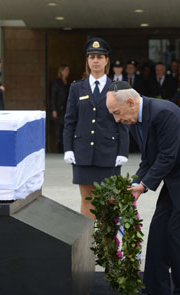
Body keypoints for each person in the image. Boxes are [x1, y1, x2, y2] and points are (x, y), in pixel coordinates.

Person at [106, 80, 180, 295]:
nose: (117, 119)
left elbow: (166, 157)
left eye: (117, 113)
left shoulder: (164, 113)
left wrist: (143, 186)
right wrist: (134, 184)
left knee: (178, 238)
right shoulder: (134, 122)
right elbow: (148, 159)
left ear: (131, 102)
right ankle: (154, 291)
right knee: (158, 237)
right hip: (174, 182)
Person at [63, 37, 129, 220]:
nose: (96, 60)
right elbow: (70, 121)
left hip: (108, 152)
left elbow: (124, 121)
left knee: (109, 200)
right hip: (83, 152)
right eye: (92, 57)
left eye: (100, 57)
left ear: (107, 60)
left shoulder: (118, 88)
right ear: (87, 60)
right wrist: (68, 148)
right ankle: (89, 244)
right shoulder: (77, 88)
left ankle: (107, 246)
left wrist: (123, 151)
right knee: (86, 199)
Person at [51, 64, 70, 153]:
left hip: (66, 108)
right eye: (66, 70)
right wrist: (54, 109)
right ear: (61, 71)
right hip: (59, 109)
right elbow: (53, 96)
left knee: (66, 128)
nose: (67, 72)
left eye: (68, 70)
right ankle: (59, 147)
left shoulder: (68, 82)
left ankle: (64, 146)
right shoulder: (57, 82)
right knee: (59, 128)